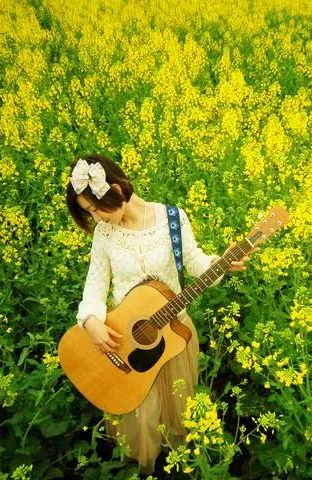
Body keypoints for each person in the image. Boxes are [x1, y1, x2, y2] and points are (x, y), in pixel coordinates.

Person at [65, 153, 253, 475]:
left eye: (96, 208)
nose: (96, 218)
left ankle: (179, 464)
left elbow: (195, 264)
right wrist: (92, 322)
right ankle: (143, 466)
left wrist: (219, 263)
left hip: (172, 336)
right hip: (125, 338)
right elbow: (94, 288)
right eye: (89, 212)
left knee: (176, 407)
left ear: (116, 189)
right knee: (139, 411)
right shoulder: (104, 234)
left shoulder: (172, 219)